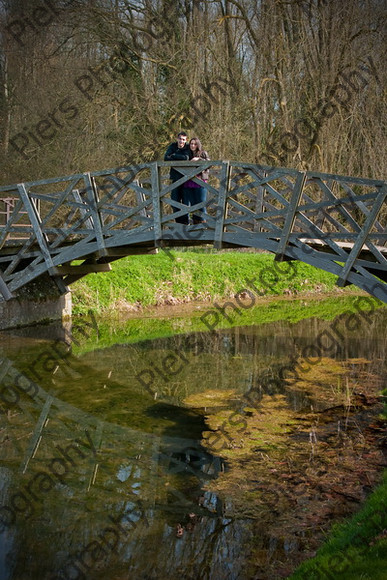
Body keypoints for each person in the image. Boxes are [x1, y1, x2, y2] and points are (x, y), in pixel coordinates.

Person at [164, 131, 191, 224]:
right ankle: (179, 224)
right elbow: (166, 158)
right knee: (174, 202)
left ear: (186, 140)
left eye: (183, 139)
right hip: (175, 178)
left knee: (185, 203)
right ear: (177, 139)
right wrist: (178, 156)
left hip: (186, 179)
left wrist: (174, 155)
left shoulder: (188, 147)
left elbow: (186, 158)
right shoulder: (173, 146)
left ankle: (185, 225)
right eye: (180, 139)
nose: (181, 141)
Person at [182, 137, 210, 224]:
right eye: (191, 144)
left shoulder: (203, 153)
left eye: (195, 144)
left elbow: (209, 163)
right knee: (193, 205)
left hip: (200, 181)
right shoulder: (187, 153)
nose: (193, 145)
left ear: (198, 145)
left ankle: (204, 224)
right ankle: (196, 225)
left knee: (201, 203)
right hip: (189, 182)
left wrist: (199, 159)